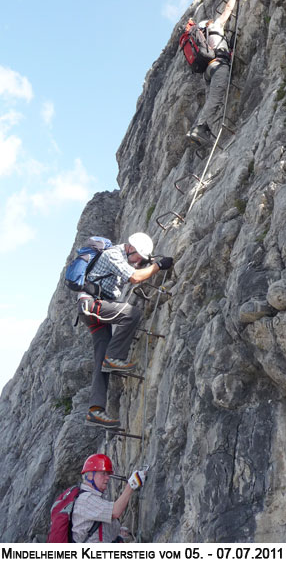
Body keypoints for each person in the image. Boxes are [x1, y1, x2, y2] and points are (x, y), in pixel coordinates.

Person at [78, 232, 173, 429]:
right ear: (130, 248)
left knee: (100, 362)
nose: (139, 261)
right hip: (93, 306)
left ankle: (95, 410)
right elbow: (135, 277)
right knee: (132, 313)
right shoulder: (113, 255)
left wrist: (147, 263)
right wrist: (158, 266)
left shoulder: (123, 257)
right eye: (139, 256)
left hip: (92, 311)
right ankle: (114, 358)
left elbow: (134, 269)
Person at [186, 0, 241, 147]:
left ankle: (206, 129)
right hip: (219, 65)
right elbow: (227, 11)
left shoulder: (203, 37)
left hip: (208, 71)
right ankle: (200, 128)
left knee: (212, 100)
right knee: (215, 100)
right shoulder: (216, 26)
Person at [71, 454, 147, 543]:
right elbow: (115, 512)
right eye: (103, 473)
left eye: (108, 474)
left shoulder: (91, 497)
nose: (107, 478)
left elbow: (95, 527)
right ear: (90, 475)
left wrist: (117, 530)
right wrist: (132, 484)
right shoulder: (86, 499)